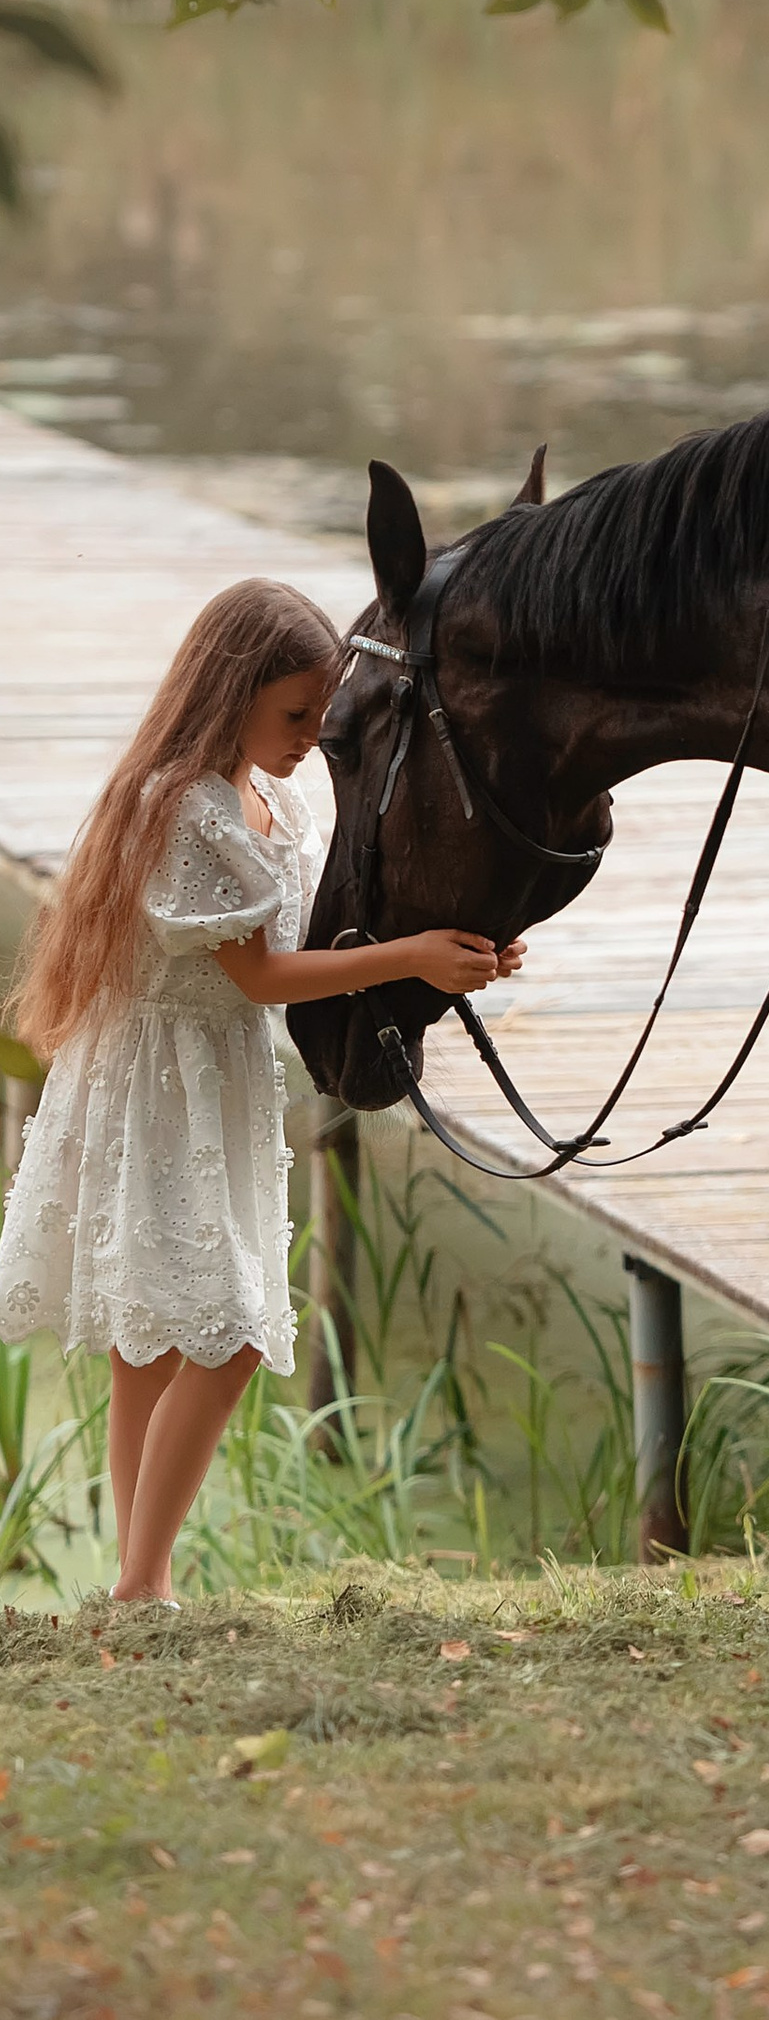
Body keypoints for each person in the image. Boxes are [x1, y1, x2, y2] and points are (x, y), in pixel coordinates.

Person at [0, 578, 519, 1605]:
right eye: (294, 715)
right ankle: (143, 1587)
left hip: (214, 1084)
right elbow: (263, 977)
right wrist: (410, 956)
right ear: (231, 693)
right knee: (226, 1333)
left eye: (323, 716)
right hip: (158, 1088)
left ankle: (133, 1580)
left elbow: (315, 937)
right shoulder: (180, 808)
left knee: (153, 1339)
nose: (311, 736)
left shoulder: (272, 798)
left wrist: (444, 953)